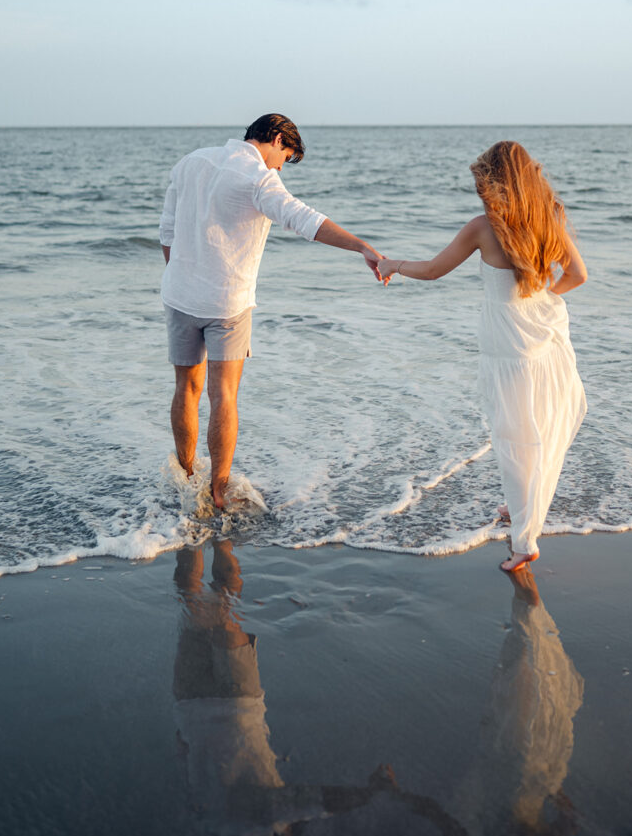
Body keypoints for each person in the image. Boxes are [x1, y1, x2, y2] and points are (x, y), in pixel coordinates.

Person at [377, 141, 587, 572]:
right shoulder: (550, 219)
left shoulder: (483, 227)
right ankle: (521, 507)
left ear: (494, 184)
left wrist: (392, 264)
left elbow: (434, 270)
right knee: (536, 425)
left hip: (505, 342)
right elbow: (578, 275)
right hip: (540, 333)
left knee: (512, 433)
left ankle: (524, 543)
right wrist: (540, 300)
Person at [160, 113, 387, 509]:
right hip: (227, 303)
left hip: (179, 294)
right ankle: (218, 491)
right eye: (286, 157)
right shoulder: (258, 177)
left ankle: (187, 476)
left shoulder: (191, 161)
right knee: (223, 395)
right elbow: (303, 219)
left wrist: (182, 277)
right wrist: (362, 247)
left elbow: (167, 231)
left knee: (186, 388)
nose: (282, 167)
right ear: (277, 138)